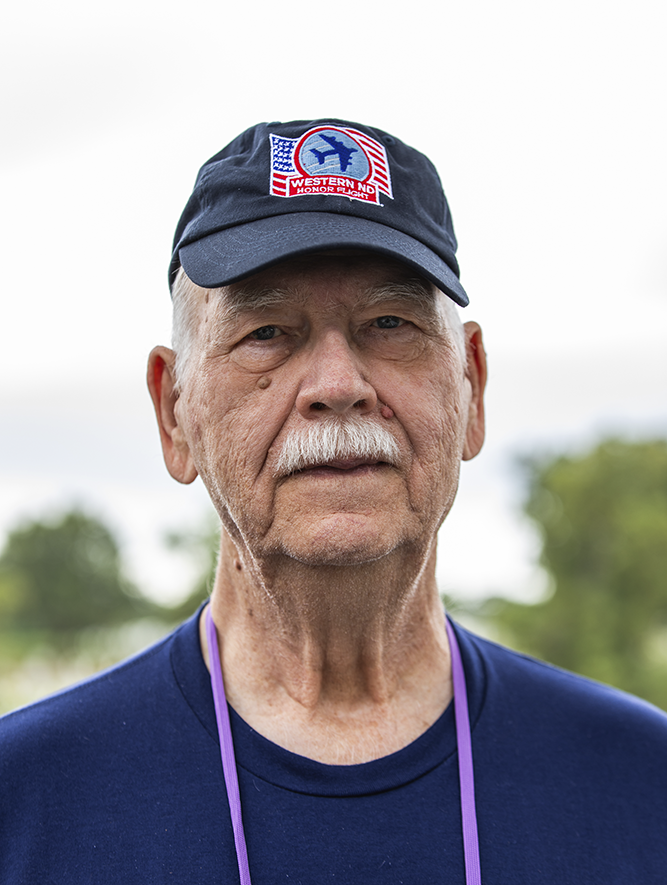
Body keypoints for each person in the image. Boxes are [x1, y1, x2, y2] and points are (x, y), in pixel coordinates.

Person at [1, 119, 666, 884]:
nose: (337, 386)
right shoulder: (24, 803)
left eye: (389, 325)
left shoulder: (640, 784)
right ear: (173, 411)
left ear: (471, 387)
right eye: (266, 332)